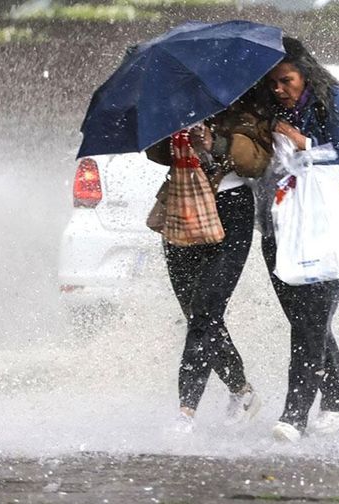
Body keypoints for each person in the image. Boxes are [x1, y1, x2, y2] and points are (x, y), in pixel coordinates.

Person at [257, 37, 339, 442]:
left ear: (306, 74)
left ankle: (293, 415)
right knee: (304, 318)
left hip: (330, 218)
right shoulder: (266, 109)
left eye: (286, 80)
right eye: (272, 84)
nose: (279, 90)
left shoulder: (331, 98)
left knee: (311, 319)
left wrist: (302, 144)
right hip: (280, 221)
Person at [146, 99, 273, 433]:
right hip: (182, 204)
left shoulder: (245, 104)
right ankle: (242, 391)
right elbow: (156, 154)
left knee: (205, 310)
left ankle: (186, 412)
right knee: (198, 316)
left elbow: (255, 162)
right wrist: (168, 129)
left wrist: (213, 143)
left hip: (232, 209)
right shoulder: (175, 104)